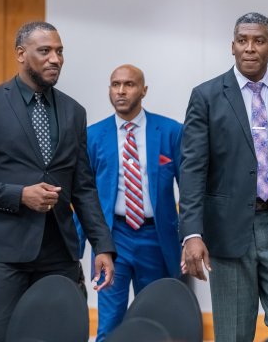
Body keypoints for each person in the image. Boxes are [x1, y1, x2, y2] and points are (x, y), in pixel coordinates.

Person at [0, 21, 116, 342]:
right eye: (45, 51)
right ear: (21, 54)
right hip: (3, 250)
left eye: (60, 52)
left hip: (59, 250)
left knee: (60, 334)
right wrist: (19, 195)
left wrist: (103, 245)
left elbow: (83, 188)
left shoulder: (74, 112)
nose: (55, 59)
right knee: (1, 336)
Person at [178, 12, 268, 341]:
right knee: (233, 335)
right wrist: (192, 234)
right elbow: (192, 171)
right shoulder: (206, 96)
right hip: (227, 232)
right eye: (242, 40)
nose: (250, 48)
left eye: (258, 41)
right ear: (232, 46)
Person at [76, 64, 182, 341]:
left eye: (129, 84)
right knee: (109, 323)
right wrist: (75, 248)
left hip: (156, 238)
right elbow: (82, 194)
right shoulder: (93, 136)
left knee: (156, 321)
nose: (121, 91)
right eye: (115, 84)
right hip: (112, 239)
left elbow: (190, 189)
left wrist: (194, 237)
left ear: (144, 90)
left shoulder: (170, 132)